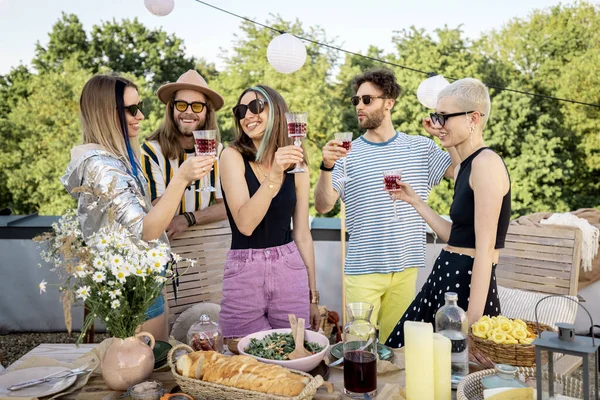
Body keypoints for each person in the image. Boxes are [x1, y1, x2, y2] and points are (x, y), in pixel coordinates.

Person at [62, 74, 215, 341]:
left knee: (155, 363)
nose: (141, 115)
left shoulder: (118, 157)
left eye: (139, 106)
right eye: (131, 109)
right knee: (148, 369)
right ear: (106, 114)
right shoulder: (102, 166)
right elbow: (146, 230)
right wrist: (181, 178)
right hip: (133, 286)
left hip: (146, 280)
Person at [314, 68, 459, 343]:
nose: (359, 106)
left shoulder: (420, 148)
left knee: (396, 349)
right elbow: (323, 206)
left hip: (406, 268)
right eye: (356, 100)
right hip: (362, 270)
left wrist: (443, 135)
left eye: (367, 99)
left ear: (388, 102)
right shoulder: (346, 155)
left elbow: (461, 170)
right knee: (358, 349)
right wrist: (326, 166)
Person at [385, 78, 511, 352]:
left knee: (437, 374)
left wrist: (474, 327)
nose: (438, 124)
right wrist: (414, 201)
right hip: (444, 280)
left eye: (444, 117)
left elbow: (485, 251)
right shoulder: (468, 165)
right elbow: (456, 236)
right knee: (399, 356)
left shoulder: (486, 165)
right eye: (436, 116)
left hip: (465, 289)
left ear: (474, 118)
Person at [218, 85, 321, 338]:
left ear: (276, 111)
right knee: (240, 361)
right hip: (244, 272)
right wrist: (275, 174)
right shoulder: (231, 156)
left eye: (256, 107)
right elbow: (245, 224)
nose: (247, 115)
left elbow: (303, 235)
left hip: (290, 268)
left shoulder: (297, 164)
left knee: (293, 356)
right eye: (241, 110)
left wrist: (313, 296)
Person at [141, 70, 227, 239]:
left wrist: (189, 218)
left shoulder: (217, 151)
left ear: (206, 112)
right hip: (162, 244)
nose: (188, 112)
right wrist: (184, 177)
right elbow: (156, 211)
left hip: (201, 241)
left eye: (196, 106)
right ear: (171, 109)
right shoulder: (151, 151)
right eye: (181, 105)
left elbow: (227, 206)